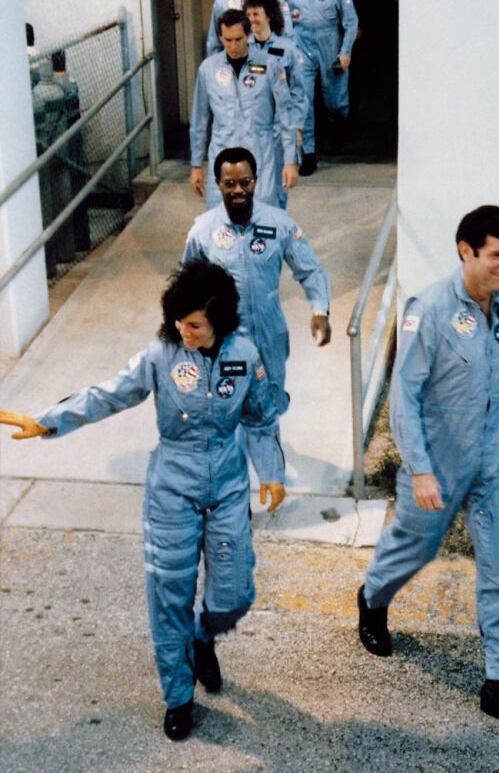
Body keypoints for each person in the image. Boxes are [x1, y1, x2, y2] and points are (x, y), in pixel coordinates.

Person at [0, 259, 286, 742]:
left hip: (228, 485)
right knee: (170, 595)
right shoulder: (161, 354)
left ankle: (204, 640)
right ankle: (178, 697)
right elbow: (109, 394)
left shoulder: (245, 353)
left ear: (219, 320)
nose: (183, 331)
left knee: (234, 589)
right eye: (178, 322)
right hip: (172, 488)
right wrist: (48, 420)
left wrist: (272, 471)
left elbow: (261, 417)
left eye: (193, 325)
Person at [356, 206, 499, 733]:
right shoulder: (430, 310)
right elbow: (405, 394)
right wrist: (419, 469)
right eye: (497, 255)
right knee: (416, 547)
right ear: (466, 251)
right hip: (438, 459)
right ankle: (373, 597)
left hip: (493, 455)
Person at [183, 147, 331, 430]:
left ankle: (268, 452)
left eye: (245, 182)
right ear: (218, 185)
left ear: (256, 181)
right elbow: (186, 287)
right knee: (227, 413)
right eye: (230, 184)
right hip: (225, 340)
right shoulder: (203, 231)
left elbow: (311, 270)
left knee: (269, 409)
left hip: (269, 335)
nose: (238, 190)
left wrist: (320, 310)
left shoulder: (279, 224)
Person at [190, 9, 298, 210]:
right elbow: (199, 120)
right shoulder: (208, 70)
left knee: (265, 213)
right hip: (223, 155)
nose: (233, 46)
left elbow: (286, 114)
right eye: (227, 40)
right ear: (220, 37)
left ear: (248, 35)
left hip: (261, 154)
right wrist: (196, 165)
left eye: (238, 39)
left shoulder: (270, 65)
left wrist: (290, 160)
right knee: (220, 215)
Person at [284, 0, 359, 176]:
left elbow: (351, 22)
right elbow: (284, 22)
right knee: (303, 100)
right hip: (302, 45)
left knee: (336, 102)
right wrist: (288, 51)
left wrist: (345, 52)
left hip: (330, 45)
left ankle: (339, 127)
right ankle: (308, 154)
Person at [244, 0, 309, 209]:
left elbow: (299, 92)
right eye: (248, 15)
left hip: (280, 129)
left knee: (278, 190)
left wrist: (297, 126)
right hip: (251, 129)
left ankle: (277, 225)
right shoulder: (244, 48)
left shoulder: (287, 48)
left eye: (256, 14)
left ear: (269, 15)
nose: (252, 19)